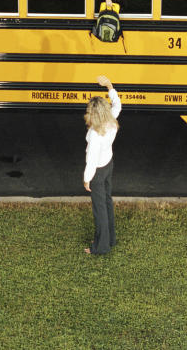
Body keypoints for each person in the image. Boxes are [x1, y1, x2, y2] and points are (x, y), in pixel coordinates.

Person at [83, 75, 122, 256]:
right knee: (107, 202)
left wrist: (86, 180)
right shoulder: (111, 120)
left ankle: (100, 246)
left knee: (99, 210)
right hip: (109, 165)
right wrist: (109, 87)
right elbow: (117, 105)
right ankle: (110, 238)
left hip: (97, 172)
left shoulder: (94, 134)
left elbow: (91, 160)